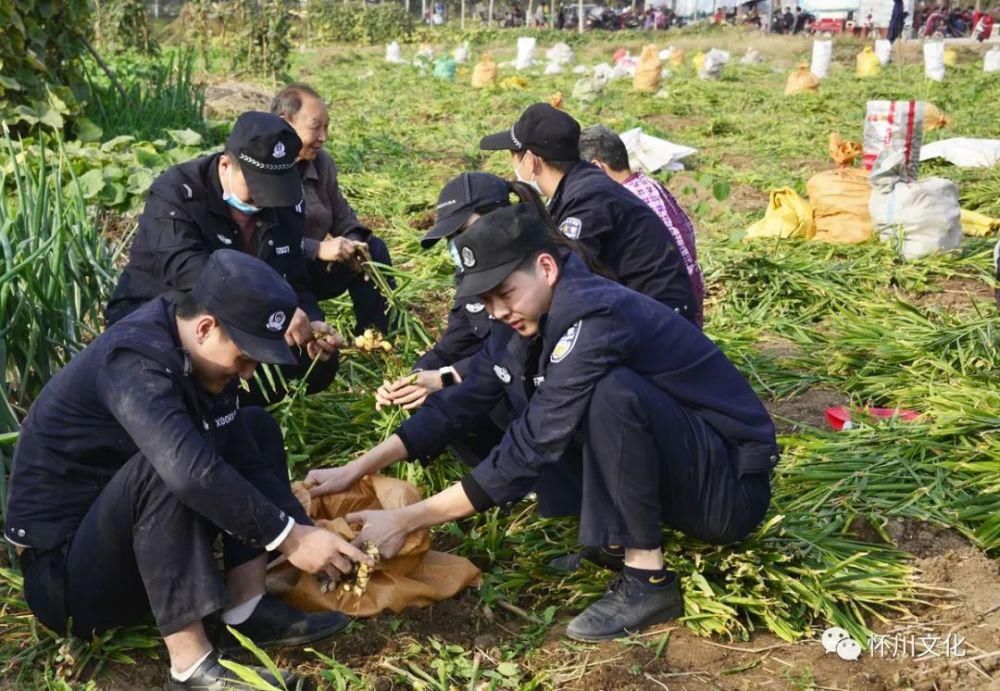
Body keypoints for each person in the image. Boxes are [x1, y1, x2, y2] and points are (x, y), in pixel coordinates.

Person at [304, 205, 778, 641]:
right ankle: (610, 541)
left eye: (505, 293)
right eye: (486, 300)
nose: (498, 310)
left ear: (546, 268)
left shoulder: (594, 316)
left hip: (727, 488)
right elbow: (461, 403)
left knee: (606, 395)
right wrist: (357, 469)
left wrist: (407, 518)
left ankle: (647, 579)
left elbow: (529, 448)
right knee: (535, 392)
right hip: (683, 472)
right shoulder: (524, 318)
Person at [6, 250, 373, 689]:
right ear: (205, 328)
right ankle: (192, 667)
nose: (250, 372)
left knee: (253, 427)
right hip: (69, 580)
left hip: (134, 552)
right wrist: (288, 539)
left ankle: (244, 610)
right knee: (169, 468)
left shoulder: (199, 356)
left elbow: (245, 458)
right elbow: (185, 472)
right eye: (244, 356)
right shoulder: (134, 361)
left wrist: (304, 532)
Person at [105, 111, 341, 405]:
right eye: (256, 191)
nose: (266, 202)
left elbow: (293, 278)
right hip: (166, 309)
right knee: (191, 370)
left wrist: (312, 324)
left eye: (275, 191)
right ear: (226, 164)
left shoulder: (287, 204)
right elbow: (185, 268)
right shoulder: (178, 191)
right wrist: (267, 306)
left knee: (318, 365)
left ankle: (238, 405)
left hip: (241, 318)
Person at [479, 103, 696, 322]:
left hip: (657, 319)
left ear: (532, 160)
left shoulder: (588, 198)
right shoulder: (576, 187)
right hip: (643, 308)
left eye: (513, 155)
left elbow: (563, 275)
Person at [271, 84, 395, 336]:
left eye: (327, 127)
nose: (323, 137)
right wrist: (317, 248)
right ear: (286, 123)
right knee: (318, 343)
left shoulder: (321, 162)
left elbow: (342, 214)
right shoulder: (264, 168)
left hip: (314, 268)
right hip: (279, 273)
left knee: (374, 249)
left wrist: (354, 241)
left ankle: (375, 334)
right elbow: (267, 240)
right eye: (316, 127)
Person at [578, 125, 705, 327]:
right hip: (689, 297)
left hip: (662, 309)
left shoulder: (619, 201)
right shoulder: (649, 184)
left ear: (596, 167)